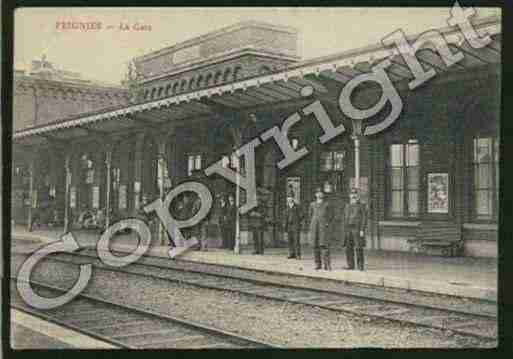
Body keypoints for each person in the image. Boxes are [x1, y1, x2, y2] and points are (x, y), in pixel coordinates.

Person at [343, 188, 368, 271]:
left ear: (358, 196)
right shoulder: (347, 206)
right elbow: (344, 218)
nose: (353, 195)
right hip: (348, 229)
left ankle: (360, 265)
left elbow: (364, 218)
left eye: (355, 194)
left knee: (358, 247)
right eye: (352, 194)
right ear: (349, 196)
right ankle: (350, 265)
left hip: (357, 229)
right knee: (348, 248)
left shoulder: (361, 205)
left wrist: (362, 229)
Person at [309, 188, 334, 270]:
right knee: (315, 246)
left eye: (321, 193)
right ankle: (317, 264)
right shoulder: (312, 204)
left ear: (323, 195)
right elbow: (310, 215)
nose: (319, 194)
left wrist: (327, 223)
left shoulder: (327, 204)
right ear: (315, 195)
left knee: (324, 246)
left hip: (323, 228)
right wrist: (313, 223)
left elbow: (331, 215)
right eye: (318, 193)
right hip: (315, 228)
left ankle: (327, 264)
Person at [283, 193, 302, 259]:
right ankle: (291, 254)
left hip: (295, 225)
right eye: (288, 197)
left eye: (290, 197)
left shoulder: (297, 207)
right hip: (288, 226)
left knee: (296, 241)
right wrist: (284, 226)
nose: (289, 199)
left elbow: (301, 215)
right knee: (289, 241)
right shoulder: (286, 207)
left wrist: (298, 221)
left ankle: (298, 254)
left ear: (293, 198)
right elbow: (284, 217)